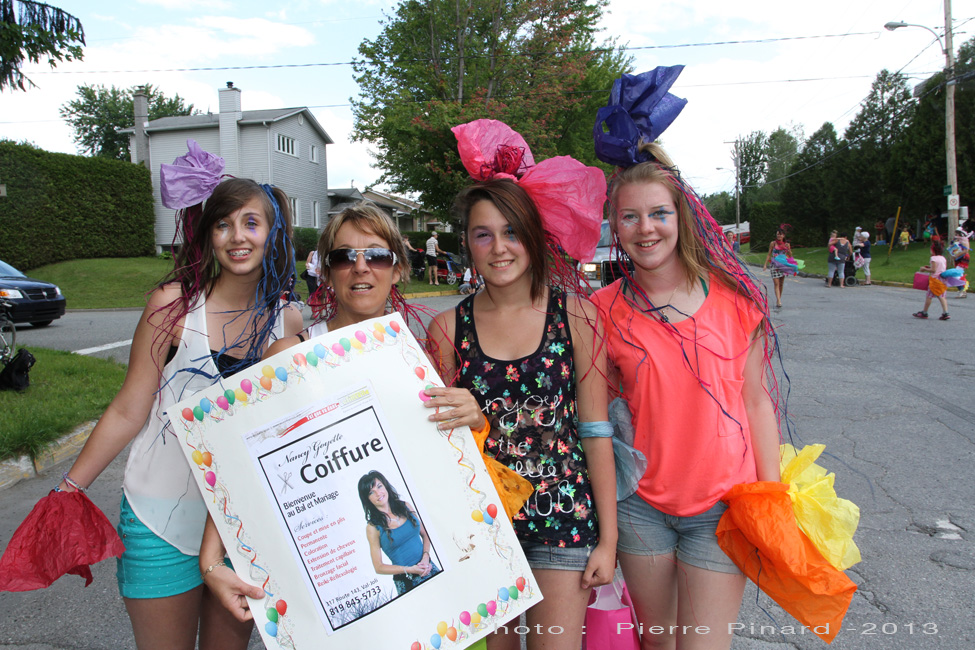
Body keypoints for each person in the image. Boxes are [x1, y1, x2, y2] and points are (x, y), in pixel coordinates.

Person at [51, 141, 303, 650]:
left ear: (273, 234)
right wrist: (69, 490)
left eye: (252, 223)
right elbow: (129, 406)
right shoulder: (172, 305)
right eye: (223, 224)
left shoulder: (288, 319)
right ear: (207, 235)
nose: (238, 237)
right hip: (157, 519)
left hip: (242, 526)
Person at [199, 202, 485, 623]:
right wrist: (211, 560)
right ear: (327, 272)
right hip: (331, 567)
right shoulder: (289, 355)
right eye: (343, 257)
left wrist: (473, 418)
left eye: (377, 255)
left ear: (399, 267)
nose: (361, 267)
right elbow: (243, 454)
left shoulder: (416, 356)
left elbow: (441, 464)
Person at [592, 67, 782, 650]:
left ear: (683, 218)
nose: (644, 229)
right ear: (614, 225)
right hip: (642, 506)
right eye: (629, 217)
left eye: (658, 214)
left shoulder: (736, 301)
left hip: (722, 506)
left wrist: (770, 502)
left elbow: (756, 400)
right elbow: (595, 419)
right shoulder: (599, 310)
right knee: (656, 641)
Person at [430, 119, 616, 650]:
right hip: (484, 527)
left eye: (511, 232)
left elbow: (596, 429)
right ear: (466, 243)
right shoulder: (447, 329)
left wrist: (609, 537)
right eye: (482, 234)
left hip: (564, 518)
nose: (499, 248)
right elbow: (437, 439)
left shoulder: (577, 317)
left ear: (534, 236)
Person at [358, 470, 440, 595]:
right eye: (371, 492)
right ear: (367, 499)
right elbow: (378, 567)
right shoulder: (373, 527)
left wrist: (426, 556)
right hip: (407, 581)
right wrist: (410, 570)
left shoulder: (406, 506)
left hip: (429, 568)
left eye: (379, 486)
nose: (378, 493)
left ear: (385, 486)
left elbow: (425, 533)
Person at [914, 240, 950, 320]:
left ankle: (925, 312)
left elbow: (933, 270)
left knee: (929, 296)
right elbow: (940, 268)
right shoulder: (943, 258)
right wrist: (929, 267)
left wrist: (924, 269)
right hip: (942, 279)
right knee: (942, 296)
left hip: (935, 280)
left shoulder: (933, 258)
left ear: (933, 250)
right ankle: (945, 312)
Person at [762, 228, 792, 308]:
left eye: (780, 234)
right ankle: (778, 300)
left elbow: (790, 255)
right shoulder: (773, 243)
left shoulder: (786, 244)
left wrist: (788, 249)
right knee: (776, 283)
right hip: (774, 265)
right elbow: (769, 254)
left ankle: (779, 298)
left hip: (783, 265)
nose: (779, 235)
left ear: (783, 235)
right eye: (777, 234)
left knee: (781, 283)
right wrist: (765, 264)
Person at [949, 227, 970, 298]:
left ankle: (962, 290)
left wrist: (957, 255)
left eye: (957, 233)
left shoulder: (964, 240)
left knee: (956, 274)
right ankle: (962, 291)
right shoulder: (957, 239)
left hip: (963, 258)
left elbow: (966, 250)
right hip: (958, 258)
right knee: (958, 275)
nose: (956, 234)